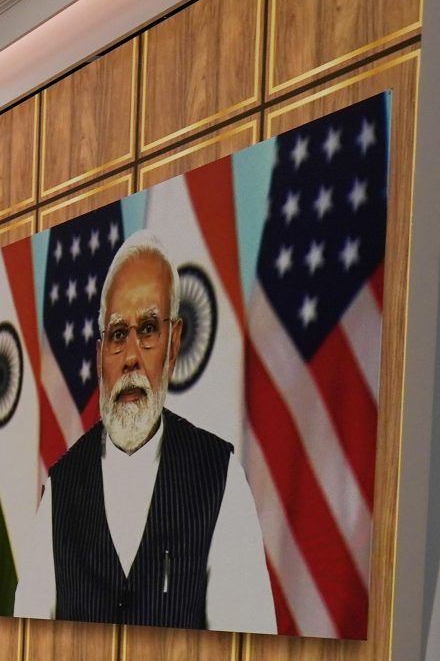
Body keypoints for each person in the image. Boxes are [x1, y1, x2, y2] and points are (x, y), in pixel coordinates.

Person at [16, 230, 278, 631]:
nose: (131, 358)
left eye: (149, 330)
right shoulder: (61, 487)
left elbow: (247, 653)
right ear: (100, 356)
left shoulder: (219, 477)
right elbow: (24, 643)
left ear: (173, 345)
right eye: (119, 335)